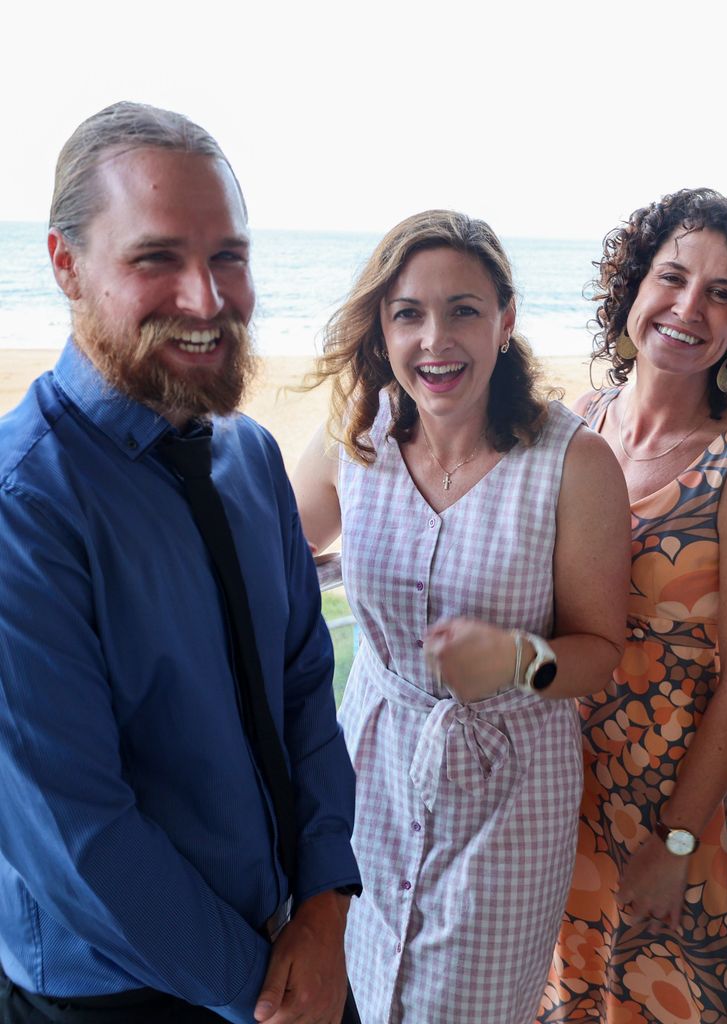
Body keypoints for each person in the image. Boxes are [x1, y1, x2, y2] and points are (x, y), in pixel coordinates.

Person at [0, 102, 360, 1024]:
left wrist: (326, 901)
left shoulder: (249, 456)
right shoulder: (22, 507)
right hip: (124, 990)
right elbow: (78, 833)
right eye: (156, 258)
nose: (206, 300)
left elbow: (303, 682)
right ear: (66, 265)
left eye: (228, 257)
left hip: (296, 941)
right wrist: (265, 994)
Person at [291, 209, 630, 1024]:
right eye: (408, 313)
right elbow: (279, 554)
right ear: (382, 327)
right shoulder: (355, 436)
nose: (434, 340)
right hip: (371, 773)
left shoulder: (574, 461)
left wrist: (516, 660)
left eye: (463, 311)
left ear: (505, 321)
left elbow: (599, 650)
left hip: (509, 797)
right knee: (357, 987)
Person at [537, 188, 727, 1024]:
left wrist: (677, 842)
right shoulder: (579, 423)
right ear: (634, 287)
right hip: (556, 790)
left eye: (721, 293)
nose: (689, 308)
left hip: (667, 805)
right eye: (673, 278)